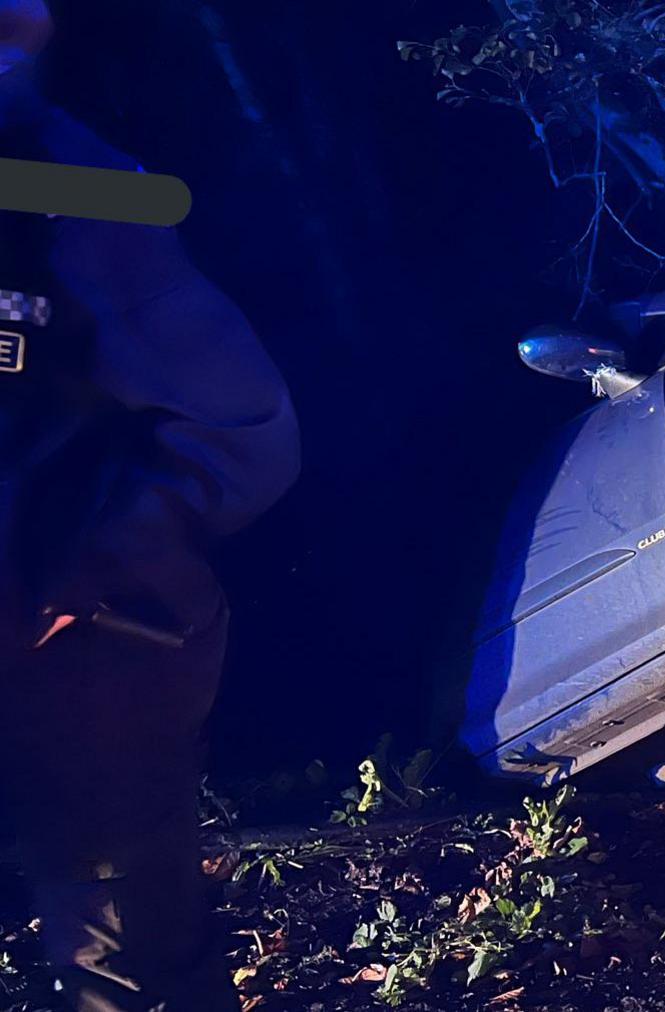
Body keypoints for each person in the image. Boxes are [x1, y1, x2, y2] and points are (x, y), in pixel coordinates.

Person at [0, 2, 301, 1008]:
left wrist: (92, 572)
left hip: (81, 654)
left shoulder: (68, 194)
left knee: (123, 961)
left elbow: (242, 431)